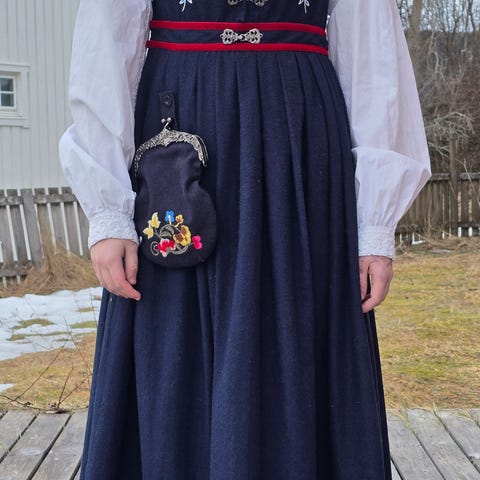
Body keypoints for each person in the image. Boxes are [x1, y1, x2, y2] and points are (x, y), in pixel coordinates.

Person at [59, 0, 430, 478]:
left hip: (299, 143)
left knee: (293, 327)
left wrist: (375, 222)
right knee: (173, 345)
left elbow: (371, 49)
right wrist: (108, 209)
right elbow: (107, 35)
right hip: (181, 129)